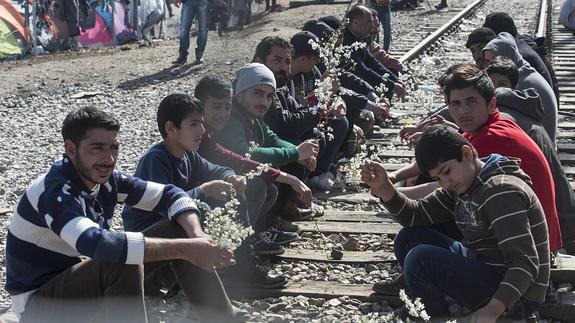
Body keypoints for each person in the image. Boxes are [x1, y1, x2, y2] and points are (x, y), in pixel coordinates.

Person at [5, 106, 239, 322]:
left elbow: (173, 195)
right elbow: (94, 243)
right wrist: (185, 249)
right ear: (70, 149)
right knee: (121, 258)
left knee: (179, 228)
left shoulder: (106, 180)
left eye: (114, 147)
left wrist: (196, 236)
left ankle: (223, 319)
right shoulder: (55, 191)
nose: (108, 159)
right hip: (39, 307)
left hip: (83, 284)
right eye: (97, 148)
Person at [361, 126, 549, 320]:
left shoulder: (500, 191)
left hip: (519, 297)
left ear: (466, 153)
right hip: (486, 266)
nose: (445, 183)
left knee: (420, 259)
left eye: (446, 171)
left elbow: (525, 263)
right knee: (409, 238)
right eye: (437, 178)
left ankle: (435, 316)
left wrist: (492, 311)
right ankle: (423, 297)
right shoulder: (464, 184)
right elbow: (414, 215)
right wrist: (384, 188)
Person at [121, 93, 290, 289]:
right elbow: (165, 206)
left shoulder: (188, 155)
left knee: (234, 193)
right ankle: (223, 269)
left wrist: (230, 177)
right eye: (194, 124)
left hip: (174, 224)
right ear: (171, 128)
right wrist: (204, 189)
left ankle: (240, 260)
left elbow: (217, 169)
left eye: (201, 123)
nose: (202, 130)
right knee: (202, 208)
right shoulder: (156, 160)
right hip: (150, 236)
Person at [194, 75, 312, 232]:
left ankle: (252, 237)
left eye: (227, 107)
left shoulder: (250, 118)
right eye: (216, 106)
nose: (223, 114)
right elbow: (239, 158)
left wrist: (294, 163)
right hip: (194, 201)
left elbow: (240, 157)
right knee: (255, 185)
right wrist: (291, 170)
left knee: (269, 188)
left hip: (208, 194)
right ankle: (238, 245)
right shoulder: (198, 134)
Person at [485, 57, 575, 254]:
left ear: (515, 86)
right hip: (561, 223)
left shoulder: (504, 119)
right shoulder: (524, 109)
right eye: (490, 85)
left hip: (549, 233)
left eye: (500, 85)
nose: (495, 90)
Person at [214, 63, 319, 221]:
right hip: (223, 183)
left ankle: (270, 222)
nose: (264, 102)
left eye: (270, 96)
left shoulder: (252, 114)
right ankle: (250, 235)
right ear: (240, 94)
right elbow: (247, 154)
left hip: (244, 173)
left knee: (292, 161)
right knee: (258, 184)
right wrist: (295, 152)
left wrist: (299, 154)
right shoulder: (231, 118)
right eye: (258, 93)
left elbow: (272, 139)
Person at [482, 32, 559, 142]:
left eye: (494, 58)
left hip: (538, 142)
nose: (490, 65)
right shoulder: (524, 70)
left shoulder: (518, 80)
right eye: (487, 61)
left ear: (507, 54)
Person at [343, 5, 406, 101]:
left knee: (390, 74)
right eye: (369, 22)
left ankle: (380, 111)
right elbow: (363, 70)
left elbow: (373, 63)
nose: (372, 27)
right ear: (355, 22)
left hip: (356, 80)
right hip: (344, 86)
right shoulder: (346, 41)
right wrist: (392, 85)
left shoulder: (358, 38)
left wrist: (395, 81)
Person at [173, 0, 223, 65]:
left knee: (203, 29)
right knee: (184, 28)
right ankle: (183, 55)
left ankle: (199, 55)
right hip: (188, 2)